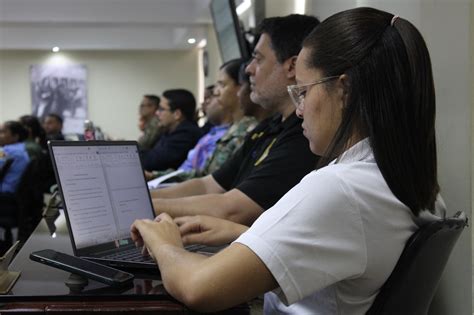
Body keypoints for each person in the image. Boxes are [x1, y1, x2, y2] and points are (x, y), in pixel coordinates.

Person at [130, 7, 442, 314]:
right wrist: (246, 236)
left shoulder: (340, 187)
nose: (300, 109)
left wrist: (164, 243)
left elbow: (198, 288)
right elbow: (348, 250)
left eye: (304, 92)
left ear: (345, 89)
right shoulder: (400, 177)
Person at [150, 14, 320, 225]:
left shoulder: (305, 135)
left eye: (258, 59)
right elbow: (208, 185)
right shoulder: (268, 127)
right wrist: (142, 199)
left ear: (292, 67)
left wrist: (134, 205)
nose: (249, 68)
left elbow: (232, 210)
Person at [142, 89, 202, 171]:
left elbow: (153, 162)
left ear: (177, 114)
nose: (157, 113)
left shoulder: (186, 134)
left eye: (161, 109)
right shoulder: (170, 131)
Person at [0, 121, 30, 195]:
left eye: (2, 132)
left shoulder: (7, 151)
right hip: (14, 193)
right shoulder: (21, 148)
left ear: (15, 136)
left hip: (4, 192)